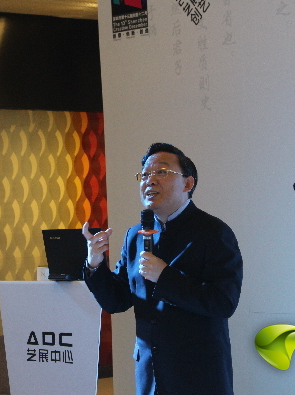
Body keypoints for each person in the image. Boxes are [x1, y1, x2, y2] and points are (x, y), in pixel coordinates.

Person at [82, 143, 243, 395]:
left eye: (162, 172)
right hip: (150, 375)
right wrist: (94, 263)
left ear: (188, 184)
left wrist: (165, 277)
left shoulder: (214, 232)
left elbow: (223, 303)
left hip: (199, 376)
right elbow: (117, 301)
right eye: (145, 174)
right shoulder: (134, 235)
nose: (150, 180)